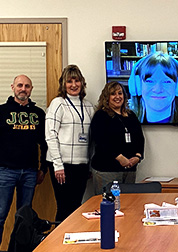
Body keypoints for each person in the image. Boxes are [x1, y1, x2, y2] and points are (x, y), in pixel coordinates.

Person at [0, 75, 47, 245]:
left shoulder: (38, 114)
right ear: (12, 87)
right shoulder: (2, 111)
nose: (23, 89)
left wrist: (44, 168)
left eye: (27, 86)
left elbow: (45, 143)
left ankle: (17, 249)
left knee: (24, 218)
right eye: (20, 85)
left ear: (31, 89)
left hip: (30, 172)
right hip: (5, 171)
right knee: (0, 215)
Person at [45, 65, 94, 221]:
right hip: (62, 164)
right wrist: (58, 165)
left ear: (82, 83)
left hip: (81, 165)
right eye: (69, 81)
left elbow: (93, 137)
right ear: (63, 84)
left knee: (76, 206)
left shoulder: (89, 106)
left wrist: (90, 165)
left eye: (77, 80)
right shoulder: (57, 103)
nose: (74, 85)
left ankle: (72, 243)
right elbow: (50, 135)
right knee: (64, 206)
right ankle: (58, 244)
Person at [90, 81, 145, 194]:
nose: (117, 97)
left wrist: (138, 157)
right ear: (107, 97)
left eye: (120, 93)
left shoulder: (131, 116)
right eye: (113, 94)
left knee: (128, 206)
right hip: (107, 171)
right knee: (108, 207)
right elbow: (101, 141)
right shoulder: (101, 116)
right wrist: (120, 158)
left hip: (129, 170)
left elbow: (140, 138)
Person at [128, 52, 178, 123]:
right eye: (149, 81)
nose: (158, 90)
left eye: (166, 82)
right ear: (137, 86)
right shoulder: (127, 123)